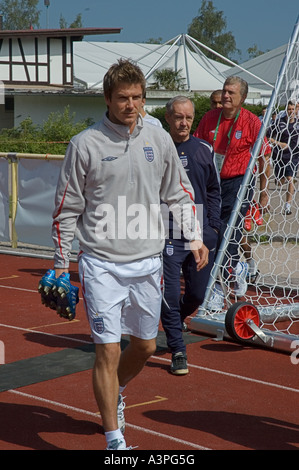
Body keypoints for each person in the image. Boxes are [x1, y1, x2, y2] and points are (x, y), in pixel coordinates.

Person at [51, 59, 208, 450]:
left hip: (147, 261)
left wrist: (194, 235)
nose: (131, 105)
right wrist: (59, 264)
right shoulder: (84, 144)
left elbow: (178, 191)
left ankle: (114, 390)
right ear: (107, 98)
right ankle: (114, 440)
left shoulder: (159, 139)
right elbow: (66, 208)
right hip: (101, 263)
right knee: (106, 350)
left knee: (146, 346)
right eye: (123, 98)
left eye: (137, 97)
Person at [194, 76, 271, 308]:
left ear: (243, 98)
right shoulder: (210, 118)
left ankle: (218, 287)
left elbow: (264, 157)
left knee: (229, 235)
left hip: (239, 183)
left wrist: (264, 191)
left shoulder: (251, 122)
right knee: (209, 234)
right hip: (211, 184)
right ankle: (236, 268)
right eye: (225, 91)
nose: (225, 96)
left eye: (231, 93)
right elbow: (197, 147)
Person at [161, 96, 221, 375]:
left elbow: (213, 190)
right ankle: (178, 351)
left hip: (200, 237)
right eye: (178, 117)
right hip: (167, 236)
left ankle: (174, 320)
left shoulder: (203, 148)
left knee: (196, 295)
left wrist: (213, 227)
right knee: (169, 296)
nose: (183, 123)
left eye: (188, 117)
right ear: (168, 119)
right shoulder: (157, 148)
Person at [268, 100, 299, 215]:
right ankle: (282, 179)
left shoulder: (298, 124)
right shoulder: (279, 123)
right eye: (289, 109)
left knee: (290, 179)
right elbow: (268, 137)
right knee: (279, 182)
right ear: (286, 110)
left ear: (296, 110)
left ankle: (287, 206)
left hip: (293, 157)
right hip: (279, 156)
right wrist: (278, 143)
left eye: (293, 109)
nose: (291, 111)